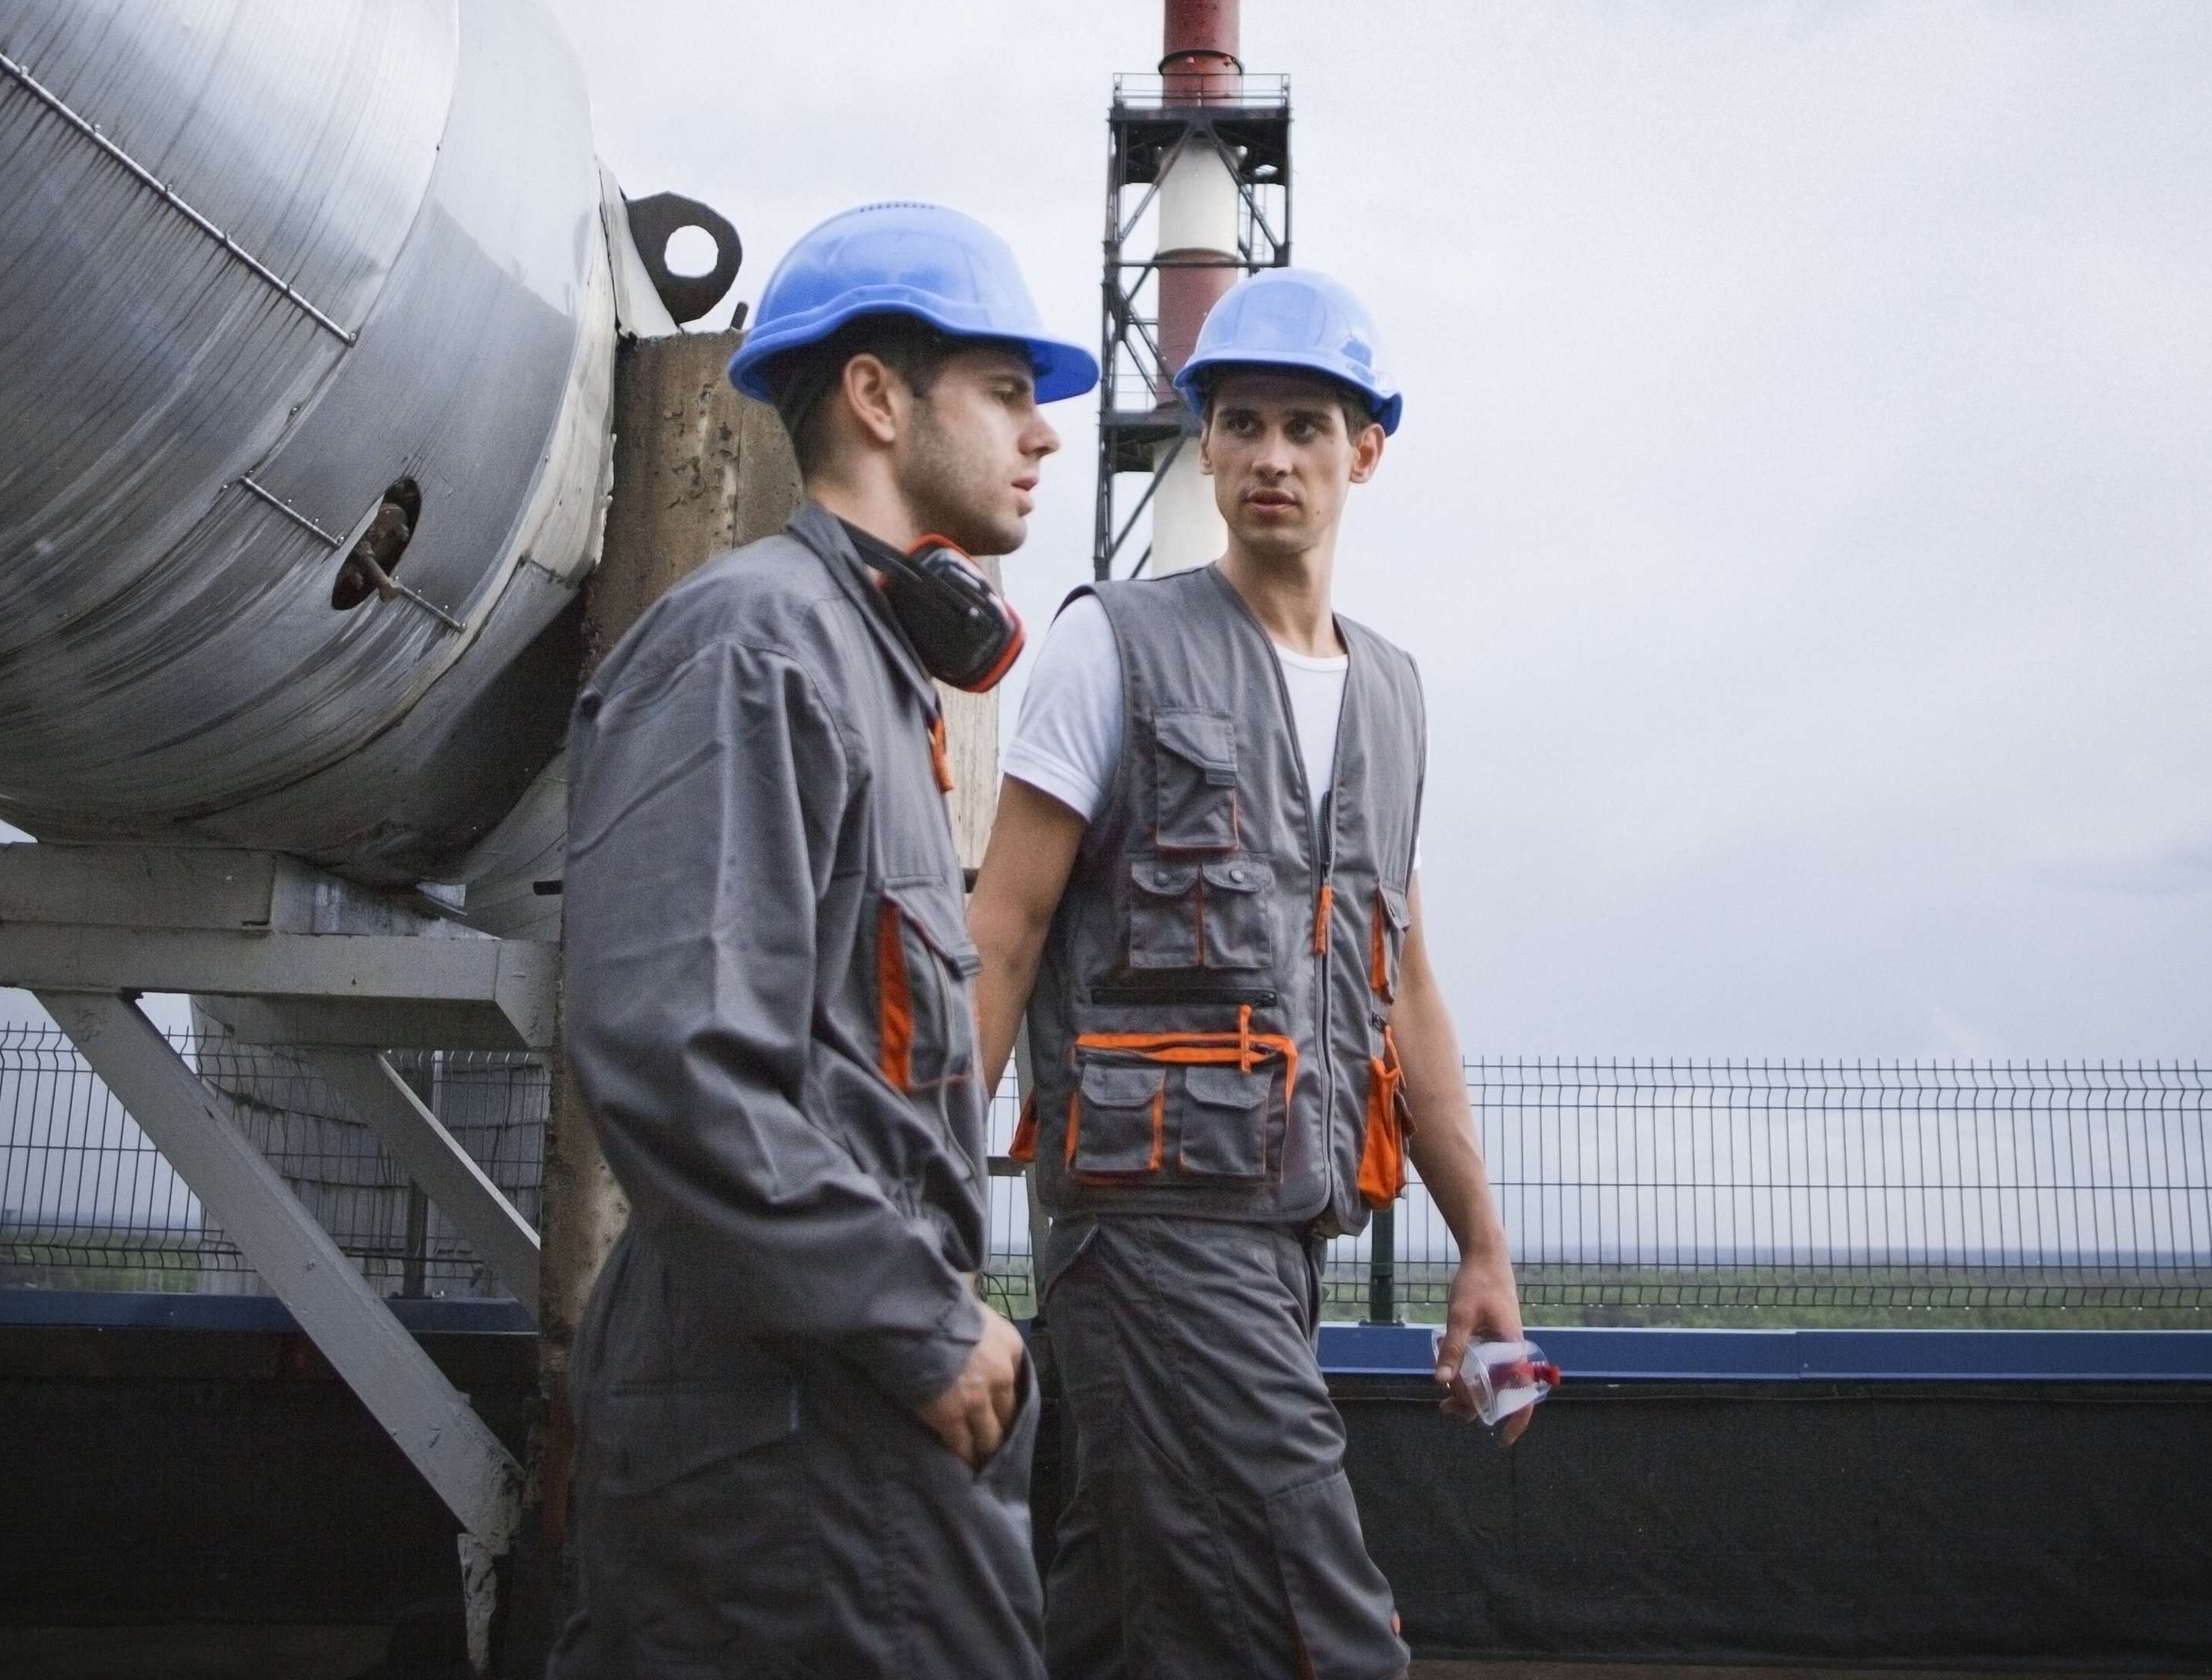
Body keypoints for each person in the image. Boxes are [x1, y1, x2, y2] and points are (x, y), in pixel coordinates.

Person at [548, 203, 1098, 1679]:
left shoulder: (877, 673)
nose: (1042, 435)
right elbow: (678, 1058)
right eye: (1003, 390)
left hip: (840, 1422)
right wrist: (922, 1322)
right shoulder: (753, 649)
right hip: (787, 1452)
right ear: (874, 396)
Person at [966, 268, 1532, 1679]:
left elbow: (1402, 983)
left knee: (1124, 1616)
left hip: (1288, 1246)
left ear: (1366, 450)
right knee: (1314, 1628)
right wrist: (916, 1220)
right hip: (1145, 1232)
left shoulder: (1393, 693)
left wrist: (1483, 1242)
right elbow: (1005, 928)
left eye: (1306, 425)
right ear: (1203, 445)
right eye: (1243, 424)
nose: (1273, 456)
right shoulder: (1116, 646)